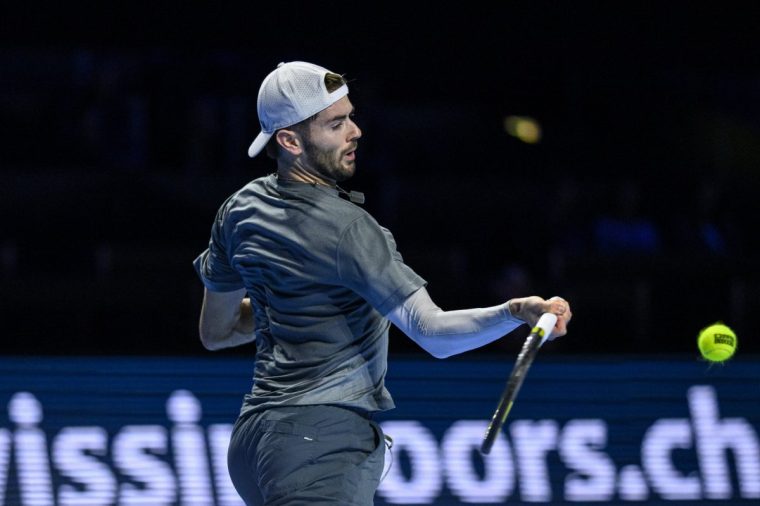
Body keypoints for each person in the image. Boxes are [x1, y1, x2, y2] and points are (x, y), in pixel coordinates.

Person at [193, 61, 572, 506]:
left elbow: (215, 333)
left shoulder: (240, 210)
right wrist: (515, 313)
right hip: (322, 445)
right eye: (336, 124)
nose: (355, 131)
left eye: (351, 116)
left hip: (254, 445)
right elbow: (433, 334)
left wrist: (296, 301)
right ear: (290, 141)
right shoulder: (350, 229)